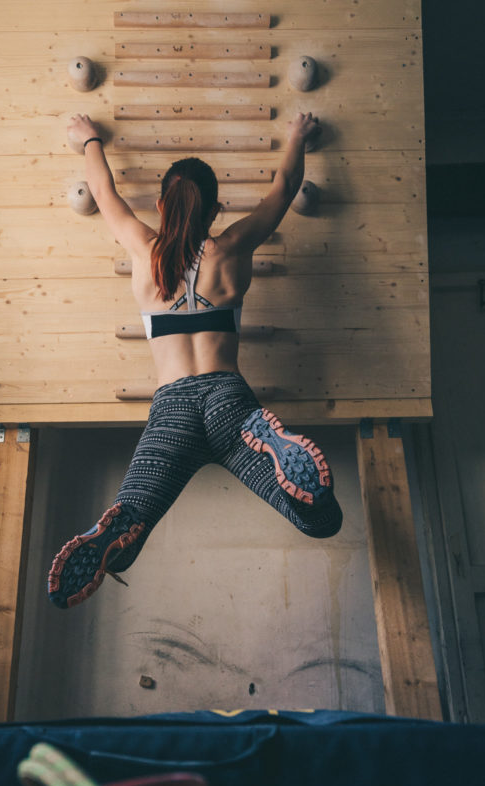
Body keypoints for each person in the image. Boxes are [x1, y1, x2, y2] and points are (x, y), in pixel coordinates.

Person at [48, 112, 342, 609]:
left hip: (173, 411)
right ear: (215, 209)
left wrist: (90, 139)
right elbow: (284, 187)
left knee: (126, 540)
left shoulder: (143, 250)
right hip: (231, 403)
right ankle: (270, 439)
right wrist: (296, 135)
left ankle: (117, 532)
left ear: (162, 204)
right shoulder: (230, 249)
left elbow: (104, 194)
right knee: (322, 521)